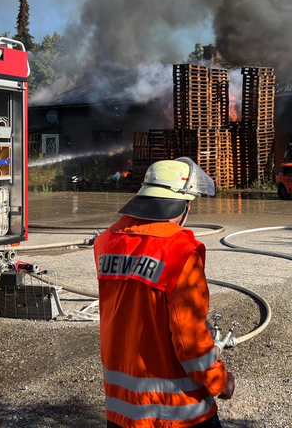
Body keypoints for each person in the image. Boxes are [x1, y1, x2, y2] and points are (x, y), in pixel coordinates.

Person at [94, 157, 235, 428]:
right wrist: (220, 381)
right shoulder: (181, 252)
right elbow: (190, 341)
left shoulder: (106, 242)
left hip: (121, 411)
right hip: (177, 413)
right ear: (184, 206)